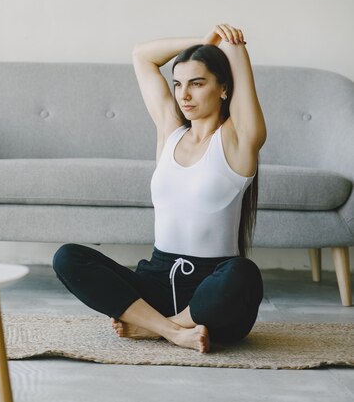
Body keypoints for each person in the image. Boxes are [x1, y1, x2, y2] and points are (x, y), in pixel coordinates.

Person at [52, 24, 266, 353]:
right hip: (157, 279)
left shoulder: (238, 141)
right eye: (178, 84)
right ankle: (174, 330)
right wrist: (201, 41)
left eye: (197, 83)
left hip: (214, 291)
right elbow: (142, 55)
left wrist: (229, 42)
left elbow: (236, 58)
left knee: (244, 274)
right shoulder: (170, 131)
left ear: (223, 88)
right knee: (68, 257)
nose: (184, 95)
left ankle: (156, 327)